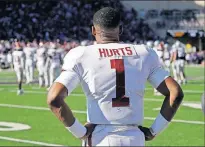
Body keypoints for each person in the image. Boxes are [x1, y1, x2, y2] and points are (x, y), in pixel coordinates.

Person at [47, 7, 184, 146]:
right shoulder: (144, 53)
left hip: (99, 138)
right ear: (120, 29)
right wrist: (153, 131)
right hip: (134, 138)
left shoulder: (81, 54)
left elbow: (54, 98)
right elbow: (175, 93)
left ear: (93, 30)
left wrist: (80, 132)